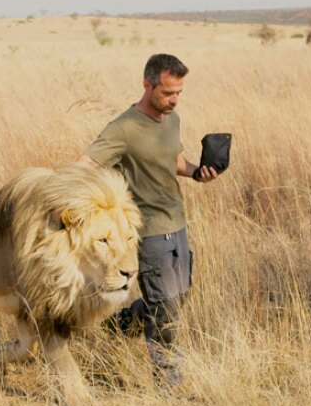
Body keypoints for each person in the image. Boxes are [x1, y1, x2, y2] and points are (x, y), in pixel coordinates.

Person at [78, 53, 223, 386]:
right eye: (167, 93)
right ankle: (168, 383)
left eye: (178, 93)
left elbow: (173, 159)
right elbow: (84, 166)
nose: (174, 100)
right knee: (166, 309)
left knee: (179, 296)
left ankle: (122, 323)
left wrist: (198, 173)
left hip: (178, 224)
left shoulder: (171, 119)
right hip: (148, 233)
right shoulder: (124, 128)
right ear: (148, 84)